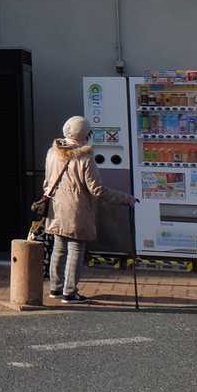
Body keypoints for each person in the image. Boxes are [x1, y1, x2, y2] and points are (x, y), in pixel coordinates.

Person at [42, 115, 137, 303]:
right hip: (77, 210)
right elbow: (97, 190)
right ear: (84, 135)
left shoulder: (52, 152)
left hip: (56, 207)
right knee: (76, 249)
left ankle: (55, 288)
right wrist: (126, 199)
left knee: (58, 248)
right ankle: (70, 292)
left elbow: (47, 182)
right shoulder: (85, 158)